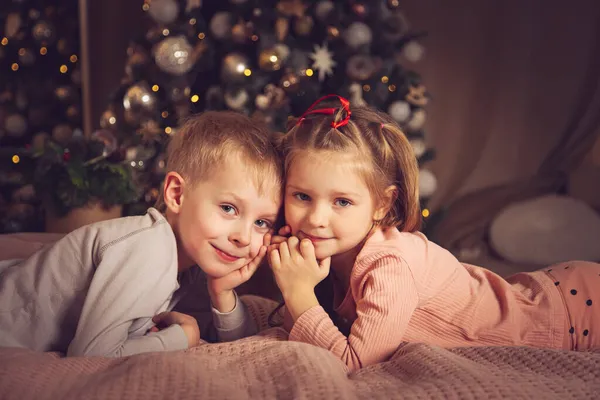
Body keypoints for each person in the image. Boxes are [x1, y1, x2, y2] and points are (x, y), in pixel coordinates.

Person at [266, 95, 600, 372]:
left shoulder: (390, 265)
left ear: (382, 205)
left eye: (342, 201)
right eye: (302, 196)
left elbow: (353, 362)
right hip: (548, 291)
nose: (316, 218)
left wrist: (298, 290)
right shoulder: (324, 253)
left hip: (571, 311)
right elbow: (307, 329)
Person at [0, 111, 283, 357]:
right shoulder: (149, 249)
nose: (244, 237)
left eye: (262, 223)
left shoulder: (192, 262)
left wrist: (222, 293)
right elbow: (92, 353)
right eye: (228, 208)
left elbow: (239, 344)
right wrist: (179, 339)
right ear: (177, 194)